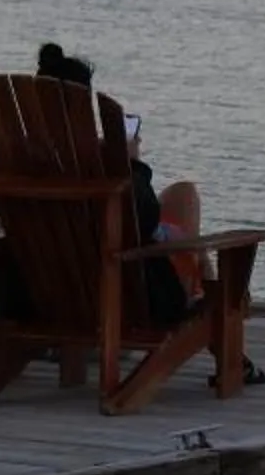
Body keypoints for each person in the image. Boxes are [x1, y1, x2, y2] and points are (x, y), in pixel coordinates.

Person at [35, 42, 206, 319]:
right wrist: (131, 165)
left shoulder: (19, 157)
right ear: (81, 107)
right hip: (125, 292)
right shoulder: (84, 165)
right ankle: (213, 306)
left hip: (39, 288)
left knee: (181, 192)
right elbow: (145, 219)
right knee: (186, 199)